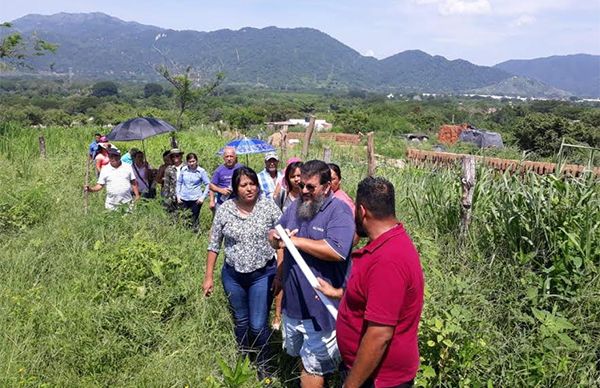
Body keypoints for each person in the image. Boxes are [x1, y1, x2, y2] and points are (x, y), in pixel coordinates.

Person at [317, 177, 424, 388]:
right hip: (370, 373)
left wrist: (350, 385)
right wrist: (339, 293)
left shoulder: (388, 260)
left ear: (362, 211)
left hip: (380, 379)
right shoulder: (389, 244)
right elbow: (372, 297)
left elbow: (379, 335)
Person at [268, 160, 355, 387]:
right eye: (301, 185)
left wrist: (294, 241)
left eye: (310, 187)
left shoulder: (339, 211)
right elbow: (275, 233)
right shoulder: (297, 206)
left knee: (313, 365)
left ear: (326, 187)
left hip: (322, 307)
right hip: (294, 304)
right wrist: (277, 239)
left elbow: (337, 251)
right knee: (300, 355)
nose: (304, 190)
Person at [203, 167, 282, 380]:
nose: (249, 189)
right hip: (233, 276)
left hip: (262, 274)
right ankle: (244, 358)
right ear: (235, 188)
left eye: (252, 183)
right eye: (243, 185)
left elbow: (284, 239)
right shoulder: (225, 209)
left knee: (257, 324)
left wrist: (280, 273)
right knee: (241, 321)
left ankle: (264, 364)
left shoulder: (268, 206)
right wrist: (208, 277)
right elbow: (214, 244)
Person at [271, 160, 303, 330]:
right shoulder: (283, 196)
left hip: (302, 245)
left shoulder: (309, 197)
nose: (297, 179)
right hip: (284, 245)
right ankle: (277, 316)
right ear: (287, 179)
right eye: (293, 176)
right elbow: (275, 220)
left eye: (299, 175)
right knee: (281, 277)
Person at [176, 153, 210, 231]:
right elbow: (179, 182)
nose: (191, 163)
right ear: (187, 162)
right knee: (185, 218)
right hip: (184, 198)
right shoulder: (184, 170)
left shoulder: (201, 171)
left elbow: (208, 184)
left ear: (196, 161)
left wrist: (202, 197)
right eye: (189, 162)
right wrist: (178, 195)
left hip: (196, 199)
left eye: (193, 161)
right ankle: (185, 234)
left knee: (194, 218)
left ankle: (195, 234)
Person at [209, 146, 242, 213]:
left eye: (231, 156)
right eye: (227, 156)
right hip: (222, 203)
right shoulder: (219, 170)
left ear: (235, 157)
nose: (229, 159)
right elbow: (211, 186)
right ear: (223, 158)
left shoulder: (241, 168)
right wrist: (220, 190)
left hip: (238, 203)